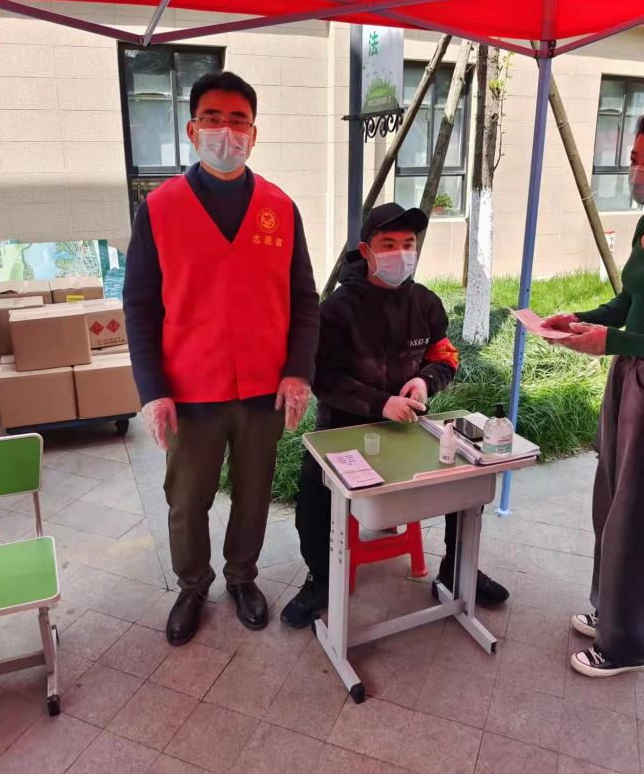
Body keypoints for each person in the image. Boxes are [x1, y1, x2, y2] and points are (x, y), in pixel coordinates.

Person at [123, 71, 319, 646]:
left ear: (254, 133)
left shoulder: (280, 208)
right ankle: (192, 585)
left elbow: (304, 299)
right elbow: (139, 307)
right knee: (187, 500)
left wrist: (298, 372)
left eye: (238, 121)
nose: (226, 131)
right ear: (192, 129)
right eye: (213, 118)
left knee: (254, 494)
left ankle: (241, 577)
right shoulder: (159, 209)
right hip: (189, 391)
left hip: (262, 388)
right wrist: (152, 390)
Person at [280, 203, 509, 629]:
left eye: (408, 244)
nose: (400, 254)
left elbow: (445, 356)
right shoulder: (337, 310)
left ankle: (457, 566)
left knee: (464, 476)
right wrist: (378, 403)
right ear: (366, 251)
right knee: (312, 490)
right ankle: (319, 579)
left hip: (411, 425)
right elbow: (324, 379)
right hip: (345, 427)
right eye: (388, 245)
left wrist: (424, 381)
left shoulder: (425, 303)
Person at [543, 137, 644, 677]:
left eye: (641, 161)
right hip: (628, 375)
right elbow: (630, 302)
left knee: (635, 509)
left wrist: (613, 341)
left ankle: (628, 643)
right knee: (609, 495)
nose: (634, 170)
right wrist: (582, 321)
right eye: (633, 159)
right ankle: (610, 610)